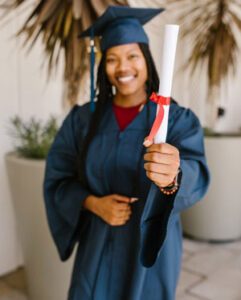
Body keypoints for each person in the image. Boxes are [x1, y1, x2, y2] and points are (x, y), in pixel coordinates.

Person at [43, 5, 210, 300]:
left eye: (132, 56)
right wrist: (92, 203)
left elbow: (195, 173)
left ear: (146, 59)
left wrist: (174, 175)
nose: (123, 68)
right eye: (112, 59)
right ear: (103, 66)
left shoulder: (176, 120)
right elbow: (58, 179)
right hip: (98, 242)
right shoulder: (82, 120)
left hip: (150, 244)